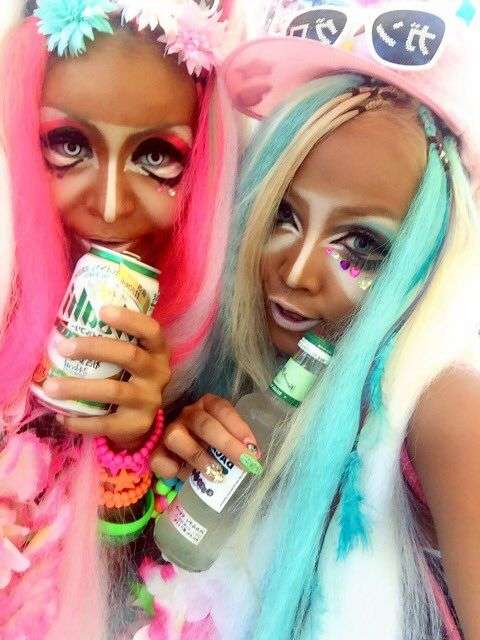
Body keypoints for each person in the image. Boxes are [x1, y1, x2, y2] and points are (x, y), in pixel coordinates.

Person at [150, 2, 480, 639]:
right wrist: (164, 467)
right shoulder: (254, 380)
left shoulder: (446, 409)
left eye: (361, 245)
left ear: (427, 258)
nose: (298, 272)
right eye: (283, 214)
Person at [0, 1, 238, 638]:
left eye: (157, 156)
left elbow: (127, 592)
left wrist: (130, 448)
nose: (109, 207)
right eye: (68, 145)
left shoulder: (213, 358)